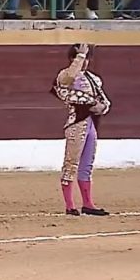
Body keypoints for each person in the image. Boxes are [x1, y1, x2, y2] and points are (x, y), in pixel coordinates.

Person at [51, 43, 110, 217]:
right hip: (76, 123)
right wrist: (80, 56)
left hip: (91, 123)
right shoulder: (65, 75)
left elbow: (104, 100)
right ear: (72, 59)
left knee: (87, 165)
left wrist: (101, 108)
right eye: (80, 57)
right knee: (71, 163)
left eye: (86, 57)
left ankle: (88, 204)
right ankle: (70, 205)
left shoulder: (93, 78)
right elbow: (69, 77)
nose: (84, 61)